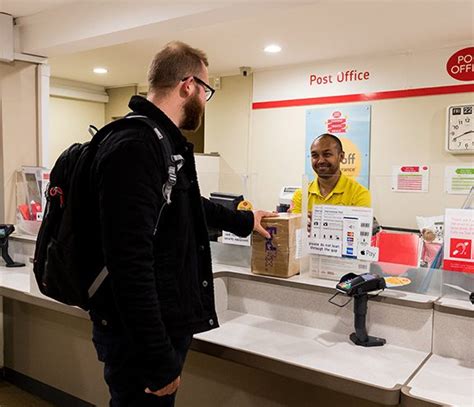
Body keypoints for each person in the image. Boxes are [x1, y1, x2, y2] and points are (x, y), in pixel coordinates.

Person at [88, 41, 273, 406]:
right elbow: (130, 263)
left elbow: (186, 203)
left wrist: (244, 220)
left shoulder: (160, 142)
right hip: (139, 337)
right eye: (207, 91)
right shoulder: (136, 146)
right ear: (188, 86)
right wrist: (157, 356)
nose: (205, 100)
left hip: (151, 328)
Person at [290, 133, 371, 214]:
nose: (320, 160)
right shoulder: (300, 195)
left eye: (327, 154)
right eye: (315, 156)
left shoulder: (359, 194)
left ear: (341, 156)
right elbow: (295, 225)